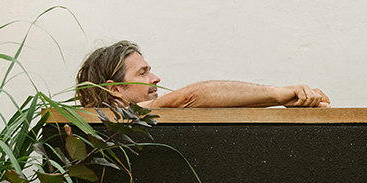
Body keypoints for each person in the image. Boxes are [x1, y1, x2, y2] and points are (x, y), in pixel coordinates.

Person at [75, 41, 330, 111]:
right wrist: (278, 94)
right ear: (115, 89)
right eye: (143, 72)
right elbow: (191, 97)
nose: (155, 78)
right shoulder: (118, 119)